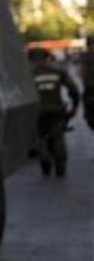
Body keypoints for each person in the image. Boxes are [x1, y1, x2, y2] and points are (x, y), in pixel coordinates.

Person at [29, 48, 80, 177]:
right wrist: (74, 107)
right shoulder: (58, 72)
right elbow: (74, 90)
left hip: (37, 112)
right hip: (56, 110)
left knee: (41, 137)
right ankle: (60, 164)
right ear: (47, 58)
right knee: (58, 137)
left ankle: (44, 159)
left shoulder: (27, 75)